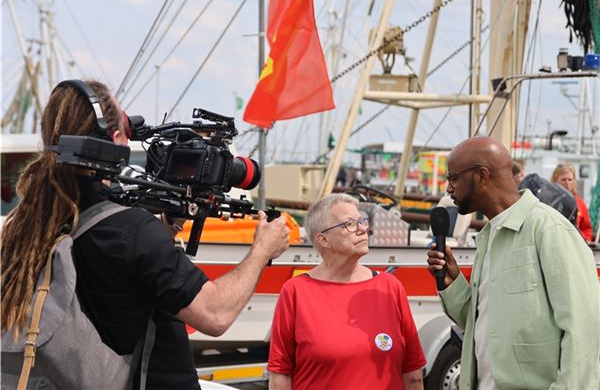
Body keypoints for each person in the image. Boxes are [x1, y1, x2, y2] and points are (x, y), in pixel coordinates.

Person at [0, 79, 290, 389]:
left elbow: (120, 271)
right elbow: (215, 314)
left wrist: (169, 225)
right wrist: (262, 250)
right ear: (115, 140)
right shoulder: (132, 230)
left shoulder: (33, 221)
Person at [426, 136, 600, 389]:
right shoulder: (489, 235)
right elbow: (482, 324)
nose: (448, 189)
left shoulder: (548, 229)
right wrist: (453, 284)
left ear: (482, 176)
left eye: (453, 178)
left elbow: (585, 329)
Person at [268, 193, 426, 390]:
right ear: (323, 239)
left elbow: (412, 373)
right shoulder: (295, 292)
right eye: (350, 224)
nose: (362, 229)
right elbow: (280, 376)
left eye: (362, 221)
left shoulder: (390, 287)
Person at [551, 163, 594, 242]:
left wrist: (586, 240)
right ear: (555, 180)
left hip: (575, 244)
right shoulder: (548, 201)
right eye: (563, 179)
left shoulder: (580, 203)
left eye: (570, 179)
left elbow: (586, 228)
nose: (567, 183)